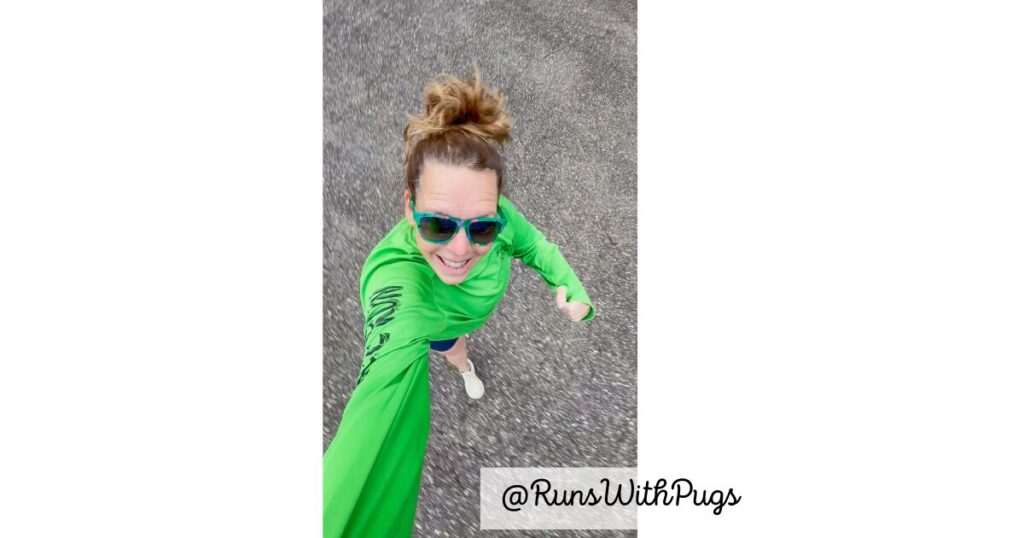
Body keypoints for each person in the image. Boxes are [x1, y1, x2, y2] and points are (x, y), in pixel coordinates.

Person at [323, 66, 594, 537]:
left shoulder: (501, 217)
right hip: (439, 326)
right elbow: (382, 390)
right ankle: (462, 364)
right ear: (409, 208)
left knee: (462, 344)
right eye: (438, 225)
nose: (461, 248)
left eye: (482, 227)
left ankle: (464, 363)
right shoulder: (393, 274)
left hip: (470, 316)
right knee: (452, 347)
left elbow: (534, 245)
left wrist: (572, 287)